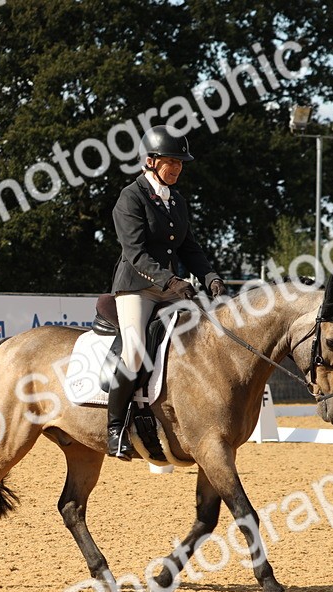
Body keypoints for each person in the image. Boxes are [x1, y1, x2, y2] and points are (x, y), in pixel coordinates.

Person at [106, 125, 229, 460]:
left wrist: (210, 276)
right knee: (134, 351)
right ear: (150, 161)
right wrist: (172, 282)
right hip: (136, 289)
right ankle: (115, 428)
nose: (175, 168)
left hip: (171, 290)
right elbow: (135, 253)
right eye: (170, 162)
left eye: (180, 163)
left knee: (201, 336)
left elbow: (190, 248)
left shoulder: (177, 201)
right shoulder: (130, 197)